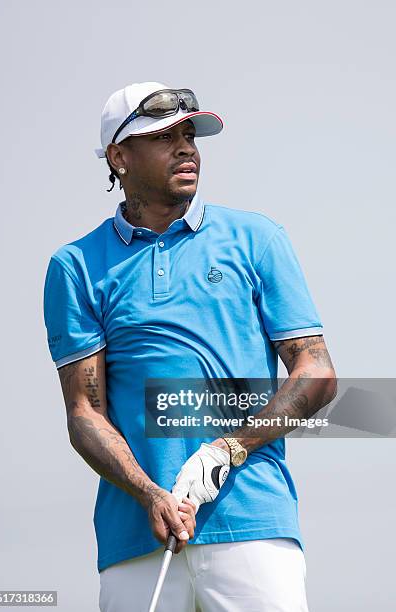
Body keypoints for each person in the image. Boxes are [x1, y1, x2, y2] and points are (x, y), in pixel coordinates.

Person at [43, 81, 336, 612]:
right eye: (165, 137)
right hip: (138, 540)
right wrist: (149, 493)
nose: (187, 148)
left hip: (252, 524)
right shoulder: (76, 266)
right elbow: (84, 412)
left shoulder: (257, 239)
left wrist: (228, 449)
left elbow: (316, 372)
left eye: (190, 136)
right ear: (119, 157)